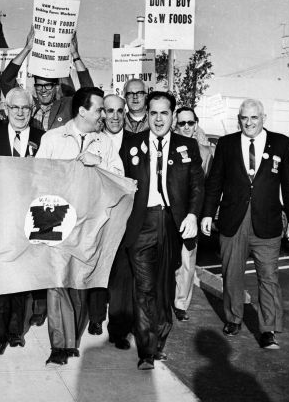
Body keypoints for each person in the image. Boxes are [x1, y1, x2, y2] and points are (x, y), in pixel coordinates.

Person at [201, 98, 289, 349]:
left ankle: (268, 329)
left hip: (267, 221)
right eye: (244, 118)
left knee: (268, 277)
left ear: (263, 118)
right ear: (239, 119)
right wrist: (206, 214)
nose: (249, 122)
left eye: (254, 117)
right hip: (233, 220)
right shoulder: (226, 144)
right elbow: (214, 183)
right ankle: (233, 318)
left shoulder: (281, 143)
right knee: (232, 274)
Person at [36, 86, 123, 366]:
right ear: (82, 110)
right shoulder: (52, 138)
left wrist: (99, 164)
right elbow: (36, 176)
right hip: (55, 216)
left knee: (79, 282)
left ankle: (72, 336)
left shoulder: (105, 143)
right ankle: (60, 344)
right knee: (56, 281)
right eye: (99, 109)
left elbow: (120, 178)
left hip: (90, 221)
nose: (103, 115)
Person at [120, 91, 204, 370]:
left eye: (164, 113)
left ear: (172, 115)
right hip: (141, 223)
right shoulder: (131, 143)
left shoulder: (187, 146)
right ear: (147, 114)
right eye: (153, 113)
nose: (158, 119)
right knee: (144, 288)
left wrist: (192, 214)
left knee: (165, 288)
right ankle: (147, 351)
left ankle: (160, 340)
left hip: (171, 223)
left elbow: (196, 185)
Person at [0, 88, 45, 354]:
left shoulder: (42, 138)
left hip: (29, 218)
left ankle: (17, 331)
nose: (19, 113)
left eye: (25, 108)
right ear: (6, 109)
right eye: (15, 108)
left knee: (22, 278)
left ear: (32, 109)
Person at [0, 27, 94, 132]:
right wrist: (27, 48)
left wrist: (75, 55)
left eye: (48, 85)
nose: (43, 90)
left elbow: (90, 93)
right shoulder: (28, 104)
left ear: (56, 87)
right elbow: (6, 80)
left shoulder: (67, 106)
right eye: (39, 86)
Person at [172, 106, 214, 322]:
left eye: (190, 123)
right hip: (169, 213)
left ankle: (181, 304)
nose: (186, 127)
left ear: (196, 124)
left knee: (187, 261)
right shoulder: (168, 145)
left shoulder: (206, 152)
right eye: (182, 123)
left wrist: (202, 215)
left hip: (191, 214)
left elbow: (208, 187)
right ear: (175, 125)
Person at [103, 94, 134, 350]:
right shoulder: (93, 142)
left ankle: (119, 329)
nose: (114, 116)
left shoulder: (136, 143)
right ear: (102, 113)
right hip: (99, 218)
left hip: (126, 220)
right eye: (109, 111)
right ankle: (93, 318)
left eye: (119, 111)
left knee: (122, 277)